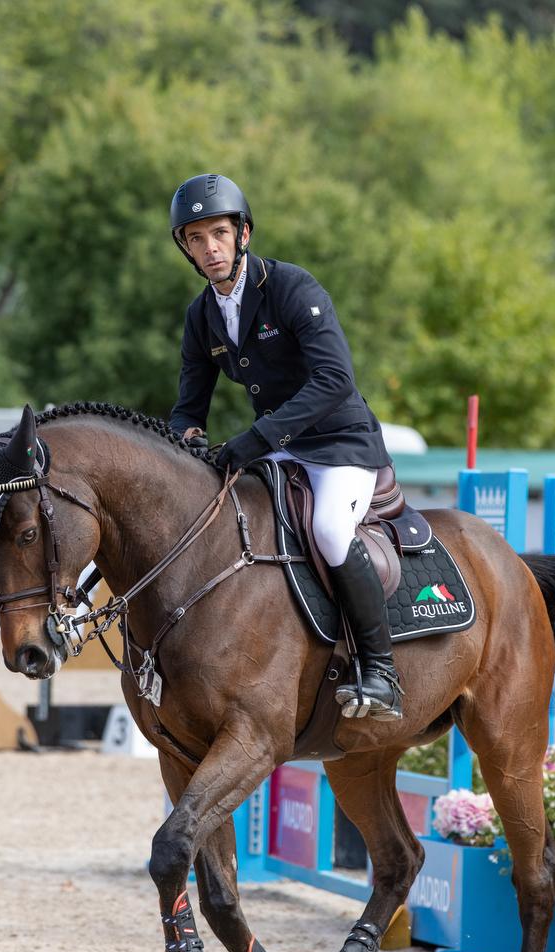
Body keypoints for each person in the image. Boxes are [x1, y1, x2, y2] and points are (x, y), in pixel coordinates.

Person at [168, 173, 401, 721]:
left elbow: (334, 380)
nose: (210, 248)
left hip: (342, 445)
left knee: (328, 530)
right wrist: (186, 439)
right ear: (186, 248)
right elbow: (188, 405)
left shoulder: (293, 287)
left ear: (243, 233)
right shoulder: (202, 316)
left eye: (219, 234)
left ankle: (380, 669)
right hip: (279, 450)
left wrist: (256, 439)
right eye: (196, 239)